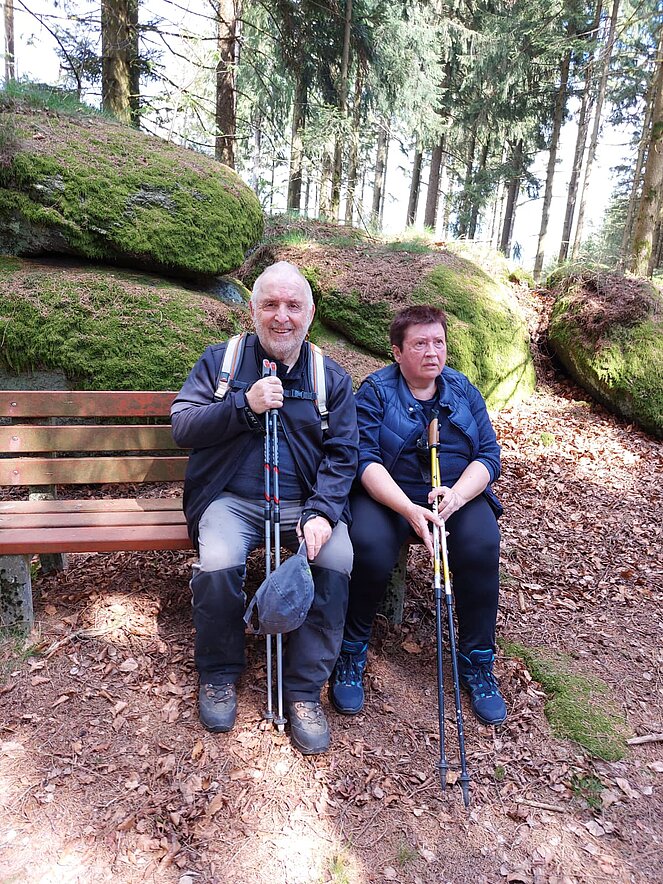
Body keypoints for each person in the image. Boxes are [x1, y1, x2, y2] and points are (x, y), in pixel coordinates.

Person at [171, 261, 358, 755]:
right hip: (231, 501)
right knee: (217, 561)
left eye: (293, 306)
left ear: (310, 314)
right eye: (270, 305)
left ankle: (303, 692)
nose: (282, 316)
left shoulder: (329, 377)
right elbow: (183, 427)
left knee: (337, 559)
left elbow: (344, 455)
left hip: (305, 505)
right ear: (252, 311)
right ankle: (218, 674)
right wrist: (243, 405)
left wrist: (323, 511)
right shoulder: (223, 361)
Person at [329, 305, 506, 726]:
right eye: (420, 343)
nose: (432, 352)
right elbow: (364, 459)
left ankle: (478, 660)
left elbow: (488, 455)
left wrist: (458, 497)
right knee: (369, 547)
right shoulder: (375, 391)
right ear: (397, 351)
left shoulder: (462, 389)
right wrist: (407, 508)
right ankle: (351, 651)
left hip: (453, 495)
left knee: (482, 544)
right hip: (389, 497)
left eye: (438, 342)